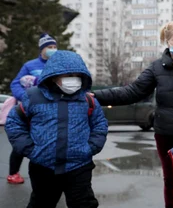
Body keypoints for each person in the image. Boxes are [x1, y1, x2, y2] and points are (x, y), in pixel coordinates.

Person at [91, 21, 173, 208]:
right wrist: (96, 96)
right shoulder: (156, 68)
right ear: (168, 42)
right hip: (167, 135)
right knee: (171, 180)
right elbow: (132, 92)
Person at [5, 50, 108, 208]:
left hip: (79, 167)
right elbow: (14, 121)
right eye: (67, 75)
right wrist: (30, 149)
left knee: (84, 204)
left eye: (77, 75)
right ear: (53, 76)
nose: (73, 79)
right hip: (43, 167)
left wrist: (91, 147)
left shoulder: (87, 100)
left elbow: (99, 124)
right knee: (41, 203)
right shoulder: (33, 97)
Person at [6, 33, 57, 184]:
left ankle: (52, 174)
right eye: (49, 47)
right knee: (23, 141)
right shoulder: (30, 65)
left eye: (55, 47)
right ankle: (13, 173)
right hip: (31, 111)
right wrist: (26, 98)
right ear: (42, 49)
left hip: (52, 110)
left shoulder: (59, 65)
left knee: (51, 140)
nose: (52, 50)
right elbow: (15, 84)